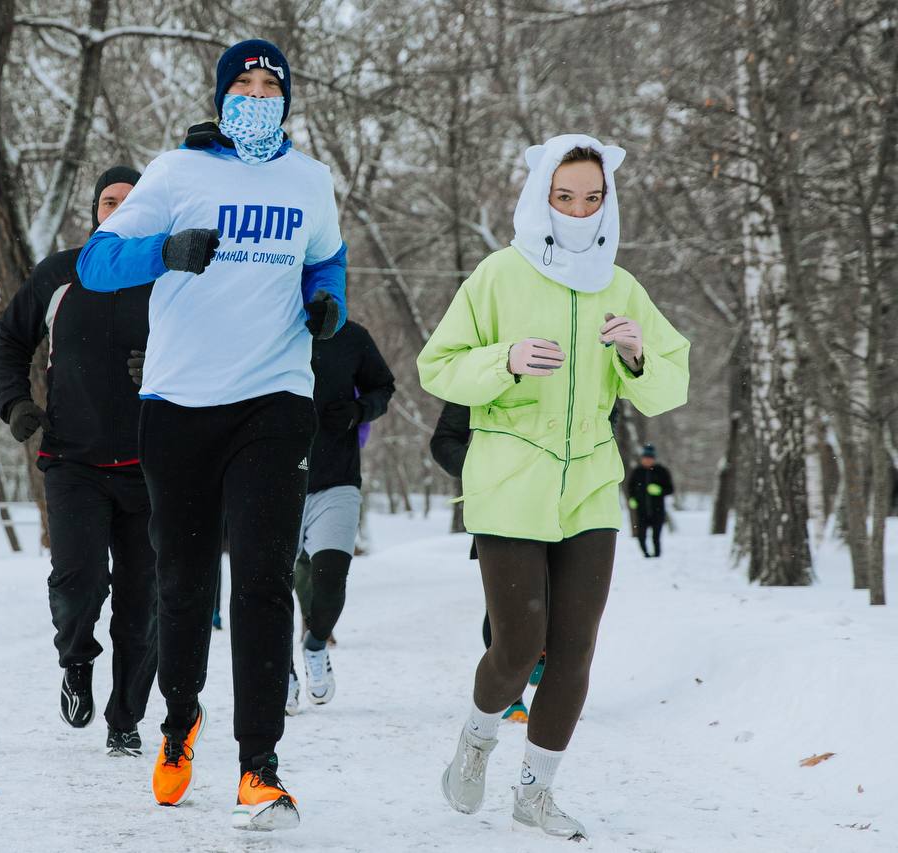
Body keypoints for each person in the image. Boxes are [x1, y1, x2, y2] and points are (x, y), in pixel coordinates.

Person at [77, 39, 347, 831]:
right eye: (244, 84)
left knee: (261, 577)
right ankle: (178, 720)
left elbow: (326, 263)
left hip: (275, 398)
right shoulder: (176, 172)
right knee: (185, 581)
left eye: (270, 86)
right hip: (179, 403)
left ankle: (260, 767)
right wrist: (164, 251)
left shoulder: (310, 181)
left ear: (286, 99)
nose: (257, 96)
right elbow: (95, 264)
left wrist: (327, 304)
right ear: (222, 96)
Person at [417, 134, 689, 840]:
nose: (577, 210)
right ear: (541, 196)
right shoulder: (498, 275)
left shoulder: (620, 286)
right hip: (510, 477)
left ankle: (535, 792)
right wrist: (503, 360)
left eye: (591, 198)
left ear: (607, 203)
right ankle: (476, 741)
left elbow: (671, 385)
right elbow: (437, 365)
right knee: (519, 645)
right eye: (564, 197)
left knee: (574, 649)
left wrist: (636, 353)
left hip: (591, 483)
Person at [0, 166, 156, 758]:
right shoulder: (60, 274)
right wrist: (16, 403)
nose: (119, 209)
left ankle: (126, 718)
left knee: (142, 603)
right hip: (73, 462)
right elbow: (10, 340)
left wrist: (164, 366)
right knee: (78, 582)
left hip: (153, 467)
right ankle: (76, 661)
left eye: (132, 201)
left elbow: (212, 350)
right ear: (94, 212)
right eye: (109, 201)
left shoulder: (169, 275)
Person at [286, 320, 394, 715]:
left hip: (336, 481)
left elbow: (383, 387)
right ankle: (280, 671)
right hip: (273, 482)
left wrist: (357, 411)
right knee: (269, 588)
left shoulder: (350, 336)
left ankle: (315, 644)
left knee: (330, 582)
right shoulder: (268, 326)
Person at [429, 400, 539, 724]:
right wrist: (481, 467)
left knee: (554, 600)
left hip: (565, 506)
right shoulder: (484, 374)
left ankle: (542, 653)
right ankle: (512, 697)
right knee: (504, 609)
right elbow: (443, 441)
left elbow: (606, 420)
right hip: (500, 507)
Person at [628, 443, 674, 558]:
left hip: (657, 510)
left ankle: (657, 555)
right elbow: (630, 487)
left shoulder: (661, 471)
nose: (647, 460)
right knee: (641, 535)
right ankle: (646, 554)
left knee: (656, 536)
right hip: (642, 510)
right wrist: (632, 498)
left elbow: (670, 489)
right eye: (645, 458)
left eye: (650, 458)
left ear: (653, 459)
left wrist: (660, 490)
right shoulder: (637, 472)